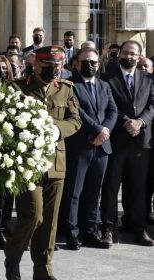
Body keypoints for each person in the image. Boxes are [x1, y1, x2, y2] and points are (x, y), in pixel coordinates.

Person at [4, 46, 81, 280]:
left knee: (49, 221)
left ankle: (43, 269)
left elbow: (75, 120)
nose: (54, 70)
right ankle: (13, 258)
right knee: (33, 216)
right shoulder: (17, 87)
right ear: (35, 64)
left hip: (56, 163)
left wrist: (57, 130)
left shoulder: (65, 89)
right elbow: (5, 120)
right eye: (48, 66)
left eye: (58, 66)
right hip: (26, 163)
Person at [60, 48, 118, 251]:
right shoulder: (71, 86)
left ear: (99, 64)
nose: (90, 65)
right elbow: (77, 111)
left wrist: (106, 131)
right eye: (85, 61)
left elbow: (113, 110)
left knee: (94, 193)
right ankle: (71, 233)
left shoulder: (104, 85)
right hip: (80, 146)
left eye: (93, 62)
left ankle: (90, 232)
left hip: (102, 147)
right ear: (76, 63)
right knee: (74, 192)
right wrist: (97, 129)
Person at [100, 40, 154, 247]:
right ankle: (107, 228)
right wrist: (126, 122)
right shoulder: (107, 78)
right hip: (116, 141)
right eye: (125, 52)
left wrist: (140, 122)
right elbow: (107, 106)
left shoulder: (148, 78)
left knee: (138, 188)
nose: (129, 56)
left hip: (141, 142)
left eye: (133, 53)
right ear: (120, 54)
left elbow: (152, 105)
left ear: (139, 56)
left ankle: (138, 228)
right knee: (111, 187)